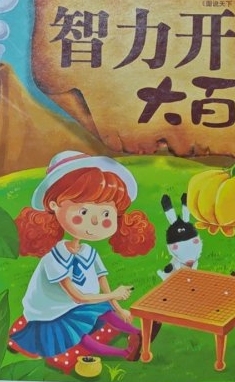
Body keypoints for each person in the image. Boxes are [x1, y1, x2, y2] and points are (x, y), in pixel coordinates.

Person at [10, 151, 156, 360]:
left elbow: (103, 282)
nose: (95, 222)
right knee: (78, 334)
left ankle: (139, 334)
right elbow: (77, 296)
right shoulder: (53, 258)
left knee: (103, 309)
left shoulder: (89, 251)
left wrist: (119, 309)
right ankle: (126, 353)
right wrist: (113, 295)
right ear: (54, 206)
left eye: (106, 213)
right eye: (84, 212)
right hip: (53, 313)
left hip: (81, 305)